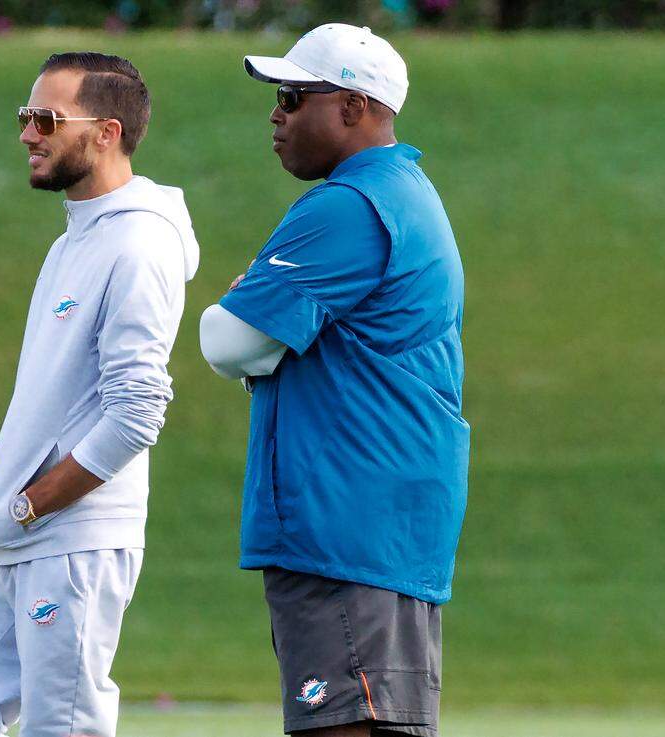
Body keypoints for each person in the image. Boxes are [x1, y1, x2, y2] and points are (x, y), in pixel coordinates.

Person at [199, 24, 470, 737]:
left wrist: (251, 318)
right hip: (381, 527)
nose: (276, 113)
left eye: (293, 95)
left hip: (342, 523)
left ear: (352, 107)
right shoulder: (405, 190)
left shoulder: (348, 206)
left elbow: (226, 340)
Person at [0, 52, 198, 737]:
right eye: (26, 116)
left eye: (46, 119)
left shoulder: (140, 244)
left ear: (106, 132)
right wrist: (13, 517)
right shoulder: (75, 238)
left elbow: (137, 411)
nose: (27, 133)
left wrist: (30, 503)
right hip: (14, 541)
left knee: (65, 728)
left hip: (71, 539)